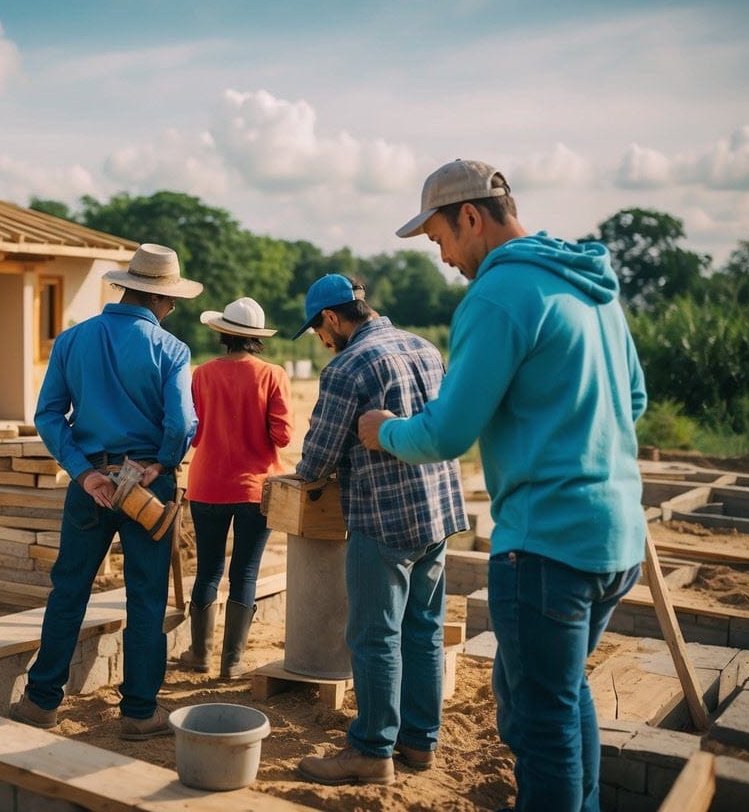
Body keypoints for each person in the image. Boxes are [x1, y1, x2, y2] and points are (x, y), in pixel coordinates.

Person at [358, 159, 647, 812]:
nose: (444, 258)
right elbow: (632, 398)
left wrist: (383, 432)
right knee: (555, 695)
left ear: (469, 217)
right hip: (615, 538)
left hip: (546, 546)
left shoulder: (497, 294)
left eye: (440, 240)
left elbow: (445, 433)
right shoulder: (590, 284)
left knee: (536, 725)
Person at [10, 243, 202, 740]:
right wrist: (160, 461)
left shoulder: (73, 339)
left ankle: (41, 702)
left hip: (90, 482)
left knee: (69, 589)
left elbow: (49, 415)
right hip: (149, 487)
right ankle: (139, 712)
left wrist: (81, 472)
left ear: (126, 287)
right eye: (172, 301)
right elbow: (181, 423)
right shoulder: (172, 350)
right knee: (145, 599)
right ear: (161, 300)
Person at [292, 274, 467, 787]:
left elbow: (318, 456)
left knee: (375, 636)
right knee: (424, 628)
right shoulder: (425, 347)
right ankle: (419, 742)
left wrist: (306, 475)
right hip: (436, 510)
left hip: (385, 517)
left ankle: (370, 750)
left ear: (331, 319)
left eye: (320, 333)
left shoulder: (348, 366)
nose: (322, 343)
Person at [176, 297, 292, 679]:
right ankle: (233, 662)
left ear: (223, 334)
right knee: (245, 573)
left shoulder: (202, 374)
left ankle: (200, 654)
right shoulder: (272, 374)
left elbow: (191, 434)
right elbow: (284, 435)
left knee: (208, 571)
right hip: (254, 491)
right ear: (256, 338)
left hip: (207, 484)